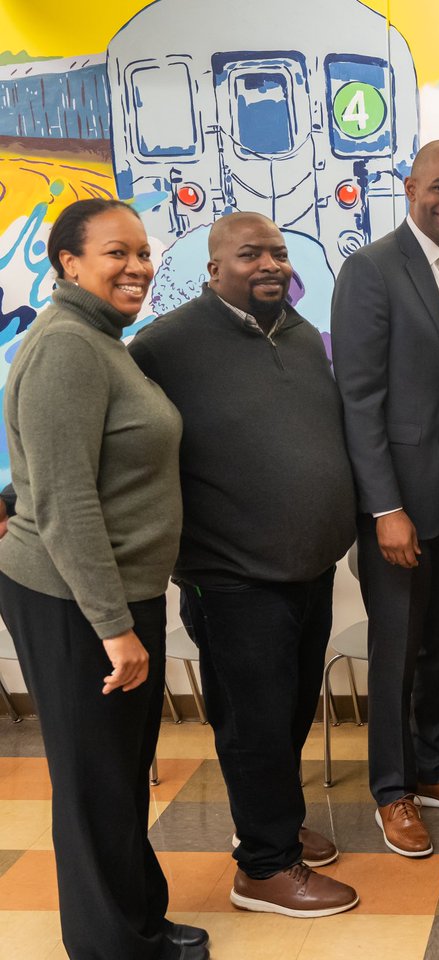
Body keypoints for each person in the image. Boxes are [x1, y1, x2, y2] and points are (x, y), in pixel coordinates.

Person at [128, 212, 359, 918]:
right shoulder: (165, 345)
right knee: (252, 721)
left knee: (288, 712)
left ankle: (273, 823)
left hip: (307, 567)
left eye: (279, 254)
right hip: (230, 576)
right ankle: (262, 868)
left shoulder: (298, 334)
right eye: (250, 253)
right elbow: (116, 433)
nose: (269, 264)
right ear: (213, 266)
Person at [0, 198, 207, 959]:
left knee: (119, 774)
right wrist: (114, 627)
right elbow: (63, 502)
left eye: (143, 253)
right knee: (95, 783)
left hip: (114, 593)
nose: (138, 267)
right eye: (117, 253)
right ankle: (112, 946)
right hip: (73, 600)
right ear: (69, 263)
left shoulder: (101, 341)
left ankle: (139, 920)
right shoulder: (66, 348)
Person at [331, 140, 439, 858]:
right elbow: (359, 399)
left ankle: (437, 769)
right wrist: (384, 509)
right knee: (397, 652)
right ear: (409, 188)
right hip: (397, 506)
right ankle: (392, 792)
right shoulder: (370, 270)